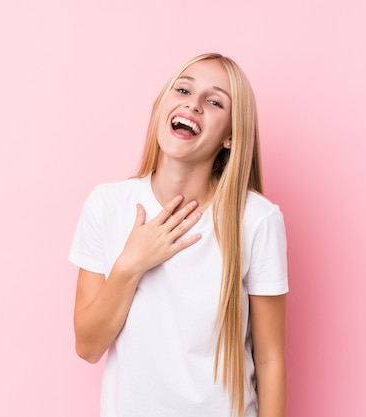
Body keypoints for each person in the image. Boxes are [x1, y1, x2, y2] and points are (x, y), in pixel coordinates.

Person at [69, 52, 288, 417]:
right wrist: (130, 264)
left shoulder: (257, 219)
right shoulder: (106, 205)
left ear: (231, 137)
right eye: (183, 89)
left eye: (215, 101)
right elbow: (88, 347)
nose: (194, 104)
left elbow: (269, 360)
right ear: (162, 107)